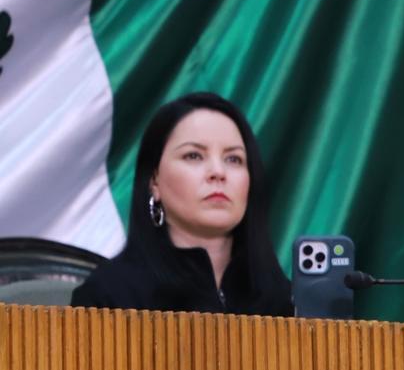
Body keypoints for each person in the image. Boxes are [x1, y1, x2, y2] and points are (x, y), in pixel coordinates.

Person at [71, 92, 293, 315]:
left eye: (233, 159)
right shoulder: (107, 297)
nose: (218, 172)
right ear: (154, 181)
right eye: (194, 156)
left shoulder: (287, 301)